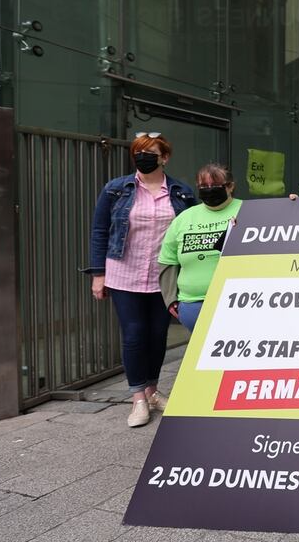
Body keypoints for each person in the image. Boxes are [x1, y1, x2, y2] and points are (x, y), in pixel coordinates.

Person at [89, 132, 197, 428]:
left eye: (151, 152)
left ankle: (152, 391)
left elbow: (195, 228)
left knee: (158, 334)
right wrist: (99, 274)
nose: (143, 157)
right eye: (139, 152)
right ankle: (137, 398)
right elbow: (100, 231)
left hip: (164, 276)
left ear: (165, 157)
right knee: (135, 334)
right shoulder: (116, 190)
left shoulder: (182, 192)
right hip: (124, 273)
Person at [158, 163, 242, 332]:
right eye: (204, 186)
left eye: (215, 185)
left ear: (230, 186)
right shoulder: (185, 218)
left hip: (237, 303)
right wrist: (170, 298)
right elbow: (168, 260)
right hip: (192, 304)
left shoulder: (247, 211)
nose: (209, 190)